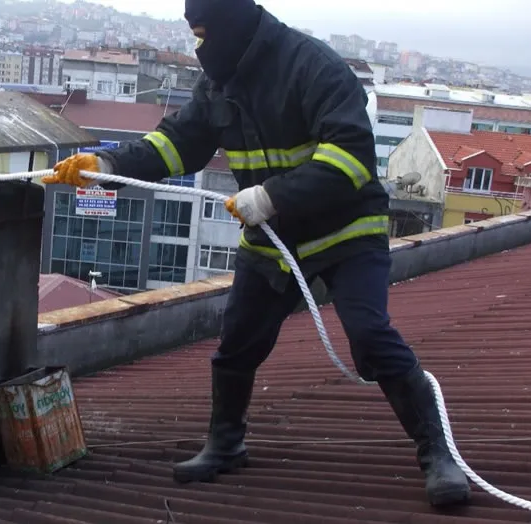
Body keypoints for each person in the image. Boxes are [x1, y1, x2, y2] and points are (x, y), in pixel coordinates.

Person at [41, 0, 470, 508]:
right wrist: (106, 161)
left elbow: (351, 158)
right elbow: (176, 143)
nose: (199, 47)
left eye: (203, 33)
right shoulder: (221, 81)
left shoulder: (313, 68)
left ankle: (437, 453)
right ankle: (226, 444)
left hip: (346, 231)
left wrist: (271, 197)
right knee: (237, 345)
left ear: (232, 25)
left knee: (371, 335)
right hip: (271, 240)